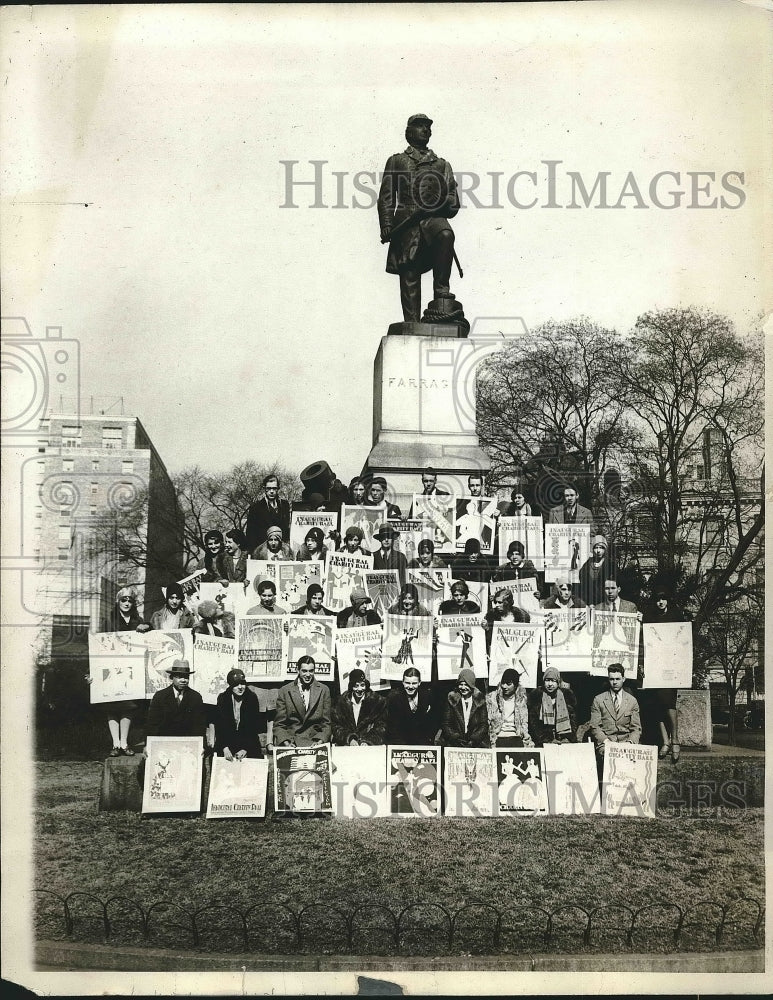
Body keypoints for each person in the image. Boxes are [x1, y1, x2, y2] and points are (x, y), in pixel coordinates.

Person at [377, 114, 461, 323]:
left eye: (427, 127)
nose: (425, 130)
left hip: (433, 217)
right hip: (407, 220)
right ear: (409, 132)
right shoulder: (397, 161)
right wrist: (387, 224)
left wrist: (435, 205)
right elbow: (386, 197)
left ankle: (442, 292)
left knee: (445, 234)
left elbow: (453, 201)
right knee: (410, 270)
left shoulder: (442, 165)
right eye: (419, 126)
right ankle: (412, 322)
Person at [97, 589, 145, 757]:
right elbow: (98, 645)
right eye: (123, 600)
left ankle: (124, 743)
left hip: (131, 669)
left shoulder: (138, 620)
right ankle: (115, 744)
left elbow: (147, 640)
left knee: (128, 707)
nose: (126, 603)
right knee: (112, 707)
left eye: (130, 600)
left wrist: (147, 627)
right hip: (111, 668)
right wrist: (92, 671)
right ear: (118, 602)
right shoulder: (108, 620)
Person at [642, 591, 688, 763]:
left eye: (663, 599)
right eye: (657, 599)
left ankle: (675, 739)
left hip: (672, 666)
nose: (660, 602)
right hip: (656, 665)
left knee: (669, 703)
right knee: (657, 706)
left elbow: (683, 640)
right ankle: (665, 741)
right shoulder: (651, 617)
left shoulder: (676, 615)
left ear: (668, 600)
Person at [273, 656, 332, 747]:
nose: (308, 675)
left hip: (315, 741)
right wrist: (287, 744)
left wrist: (320, 742)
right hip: (292, 742)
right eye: (304, 671)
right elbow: (279, 724)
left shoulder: (324, 690)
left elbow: (326, 723)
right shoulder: (285, 691)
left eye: (311, 671)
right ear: (298, 670)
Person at [145, 659, 207, 740]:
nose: (183, 680)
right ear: (172, 677)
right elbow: (152, 724)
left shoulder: (195, 697)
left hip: (188, 743)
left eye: (186, 677)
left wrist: (201, 745)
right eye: (179, 677)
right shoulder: (160, 696)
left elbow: (199, 726)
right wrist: (149, 744)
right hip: (165, 742)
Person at [589, 663, 642, 755]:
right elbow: (595, 726)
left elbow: (636, 728)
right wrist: (606, 741)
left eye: (617, 679)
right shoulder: (598, 700)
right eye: (611, 679)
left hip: (626, 743)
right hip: (605, 743)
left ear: (623, 679)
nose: (614, 682)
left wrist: (630, 742)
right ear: (608, 680)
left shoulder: (632, 701)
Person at [214, 668, 263, 759]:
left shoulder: (251, 698)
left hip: (248, 742)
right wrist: (224, 747)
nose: (240, 687)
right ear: (230, 686)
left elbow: (253, 728)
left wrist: (245, 749)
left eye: (243, 684)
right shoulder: (223, 698)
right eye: (236, 685)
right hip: (227, 742)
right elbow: (220, 726)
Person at [331, 668, 387, 746]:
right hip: (347, 747)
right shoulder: (340, 702)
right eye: (356, 686)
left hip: (369, 748)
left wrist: (367, 741)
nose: (359, 689)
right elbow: (335, 726)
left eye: (362, 685)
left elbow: (381, 727)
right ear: (351, 687)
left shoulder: (377, 702)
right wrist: (349, 739)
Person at [385, 666, 438, 745]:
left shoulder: (427, 696)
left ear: (419, 683)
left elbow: (433, 722)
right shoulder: (394, 697)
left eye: (414, 683)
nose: (410, 687)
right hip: (400, 742)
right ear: (402, 682)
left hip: (422, 742)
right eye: (407, 683)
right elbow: (391, 727)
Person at [528, 666, 577, 746]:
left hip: (564, 740)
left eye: (553, 681)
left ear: (558, 683)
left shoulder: (566, 698)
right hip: (544, 741)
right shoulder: (537, 698)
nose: (550, 684)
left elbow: (573, 722)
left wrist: (567, 738)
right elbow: (534, 724)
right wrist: (547, 740)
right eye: (547, 680)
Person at [441, 668, 489, 748]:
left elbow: (483, 725)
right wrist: (456, 738)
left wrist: (474, 740)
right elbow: (446, 724)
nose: (463, 687)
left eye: (466, 684)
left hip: (476, 743)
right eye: (461, 684)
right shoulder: (452, 699)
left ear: (472, 684)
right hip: (455, 743)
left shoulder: (480, 700)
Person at [244, 474, 291, 553]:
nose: (271, 491)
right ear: (264, 489)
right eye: (269, 488)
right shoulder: (255, 508)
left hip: (281, 551)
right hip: (262, 551)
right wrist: (254, 553)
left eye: (274, 488)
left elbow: (287, 528)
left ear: (278, 489)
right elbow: (251, 534)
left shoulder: (285, 505)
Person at [486, 668, 532, 748]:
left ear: (515, 685)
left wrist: (525, 737)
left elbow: (524, 723)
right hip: (498, 736)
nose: (504, 686)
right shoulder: (492, 698)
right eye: (503, 683)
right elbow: (488, 721)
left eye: (508, 684)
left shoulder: (521, 699)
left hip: (516, 736)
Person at [578, 535, 614, 607]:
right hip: (589, 604)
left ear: (605, 549)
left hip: (607, 604)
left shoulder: (611, 566)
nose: (598, 551)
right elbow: (583, 588)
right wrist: (588, 603)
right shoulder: (586, 565)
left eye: (601, 547)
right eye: (596, 547)